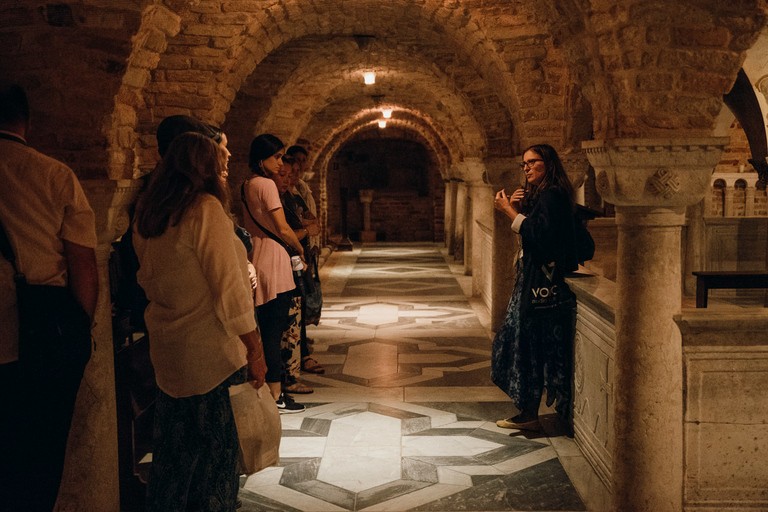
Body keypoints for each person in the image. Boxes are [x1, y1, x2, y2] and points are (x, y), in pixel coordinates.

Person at [132, 132, 267, 511]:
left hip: (171, 352)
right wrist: (254, 347)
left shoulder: (150, 212)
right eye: (220, 167)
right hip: (212, 355)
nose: (224, 173)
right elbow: (229, 288)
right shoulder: (204, 209)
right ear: (203, 170)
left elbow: (146, 279)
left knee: (174, 457)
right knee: (217, 459)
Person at [0, 83, 99, 511]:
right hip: (43, 330)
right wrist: (80, 326)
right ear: (27, 121)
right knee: (40, 449)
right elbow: (82, 263)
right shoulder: (53, 174)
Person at [490, 143, 579, 432]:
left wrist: (508, 212)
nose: (526, 168)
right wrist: (520, 208)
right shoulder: (545, 194)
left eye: (532, 162)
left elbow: (542, 236)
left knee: (526, 345)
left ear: (548, 164)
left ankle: (529, 413)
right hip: (535, 280)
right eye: (524, 164)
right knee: (525, 344)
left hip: (541, 285)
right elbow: (539, 229)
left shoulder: (552, 194)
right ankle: (528, 411)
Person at [242, 133, 306, 413]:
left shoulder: (246, 184)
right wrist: (299, 248)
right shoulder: (266, 185)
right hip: (274, 259)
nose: (281, 163)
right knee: (274, 330)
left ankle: (272, 391)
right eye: (276, 157)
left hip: (257, 254)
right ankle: (276, 395)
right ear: (261, 159)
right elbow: (281, 228)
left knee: (267, 326)